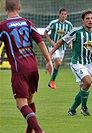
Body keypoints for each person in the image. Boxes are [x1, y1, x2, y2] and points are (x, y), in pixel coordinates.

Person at [0, 0, 53, 133]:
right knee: (29, 100)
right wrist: (49, 61)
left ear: (5, 8)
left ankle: (40, 131)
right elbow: (40, 43)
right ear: (19, 7)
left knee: (21, 104)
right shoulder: (28, 23)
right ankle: (29, 131)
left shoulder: (3, 26)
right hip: (33, 67)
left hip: (20, 69)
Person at [50, 10, 92, 116]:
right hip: (77, 63)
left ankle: (73, 109)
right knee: (88, 82)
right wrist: (50, 53)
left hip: (89, 64)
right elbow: (61, 41)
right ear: (83, 21)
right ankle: (84, 108)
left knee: (84, 88)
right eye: (87, 18)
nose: (90, 20)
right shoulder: (76, 32)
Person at [44, 8, 73, 89]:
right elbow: (45, 32)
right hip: (53, 47)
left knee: (57, 64)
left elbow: (71, 35)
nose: (63, 16)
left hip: (62, 48)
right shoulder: (54, 23)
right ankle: (52, 80)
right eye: (62, 14)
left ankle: (48, 62)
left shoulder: (69, 25)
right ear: (59, 14)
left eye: (65, 14)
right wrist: (51, 41)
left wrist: (70, 43)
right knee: (59, 63)